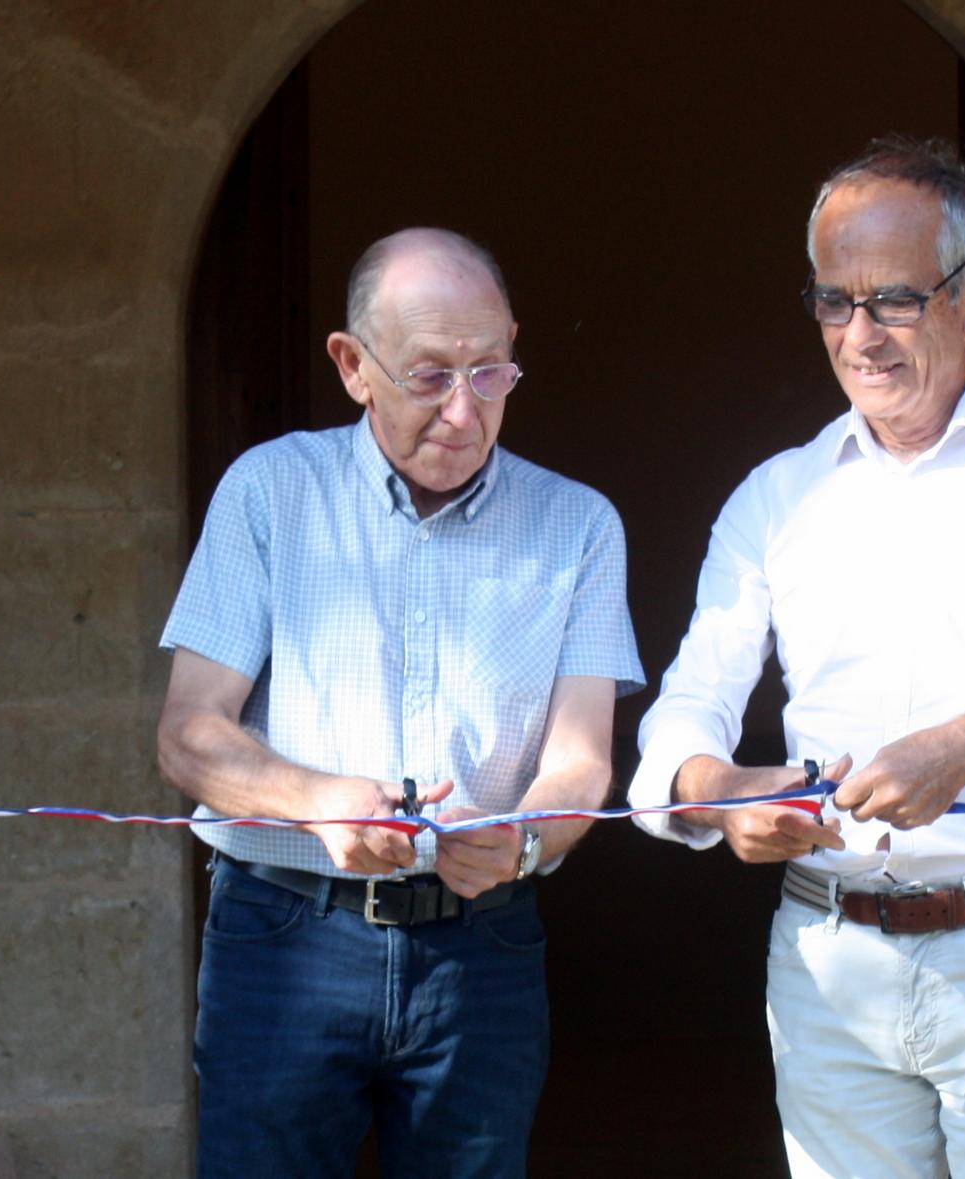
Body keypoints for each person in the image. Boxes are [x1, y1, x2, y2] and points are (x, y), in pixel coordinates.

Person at [629, 138, 965, 1178]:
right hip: (828, 957)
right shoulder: (774, 496)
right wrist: (719, 791)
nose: (859, 337)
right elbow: (688, 705)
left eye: (895, 299)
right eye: (831, 301)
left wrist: (962, 746)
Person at [157, 227, 644, 1177]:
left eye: (491, 373)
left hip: (482, 945)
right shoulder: (270, 493)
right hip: (283, 931)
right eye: (428, 377)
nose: (464, 412)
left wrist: (524, 840)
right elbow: (186, 735)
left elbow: (582, 758)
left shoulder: (579, 524)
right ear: (353, 365)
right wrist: (317, 802)